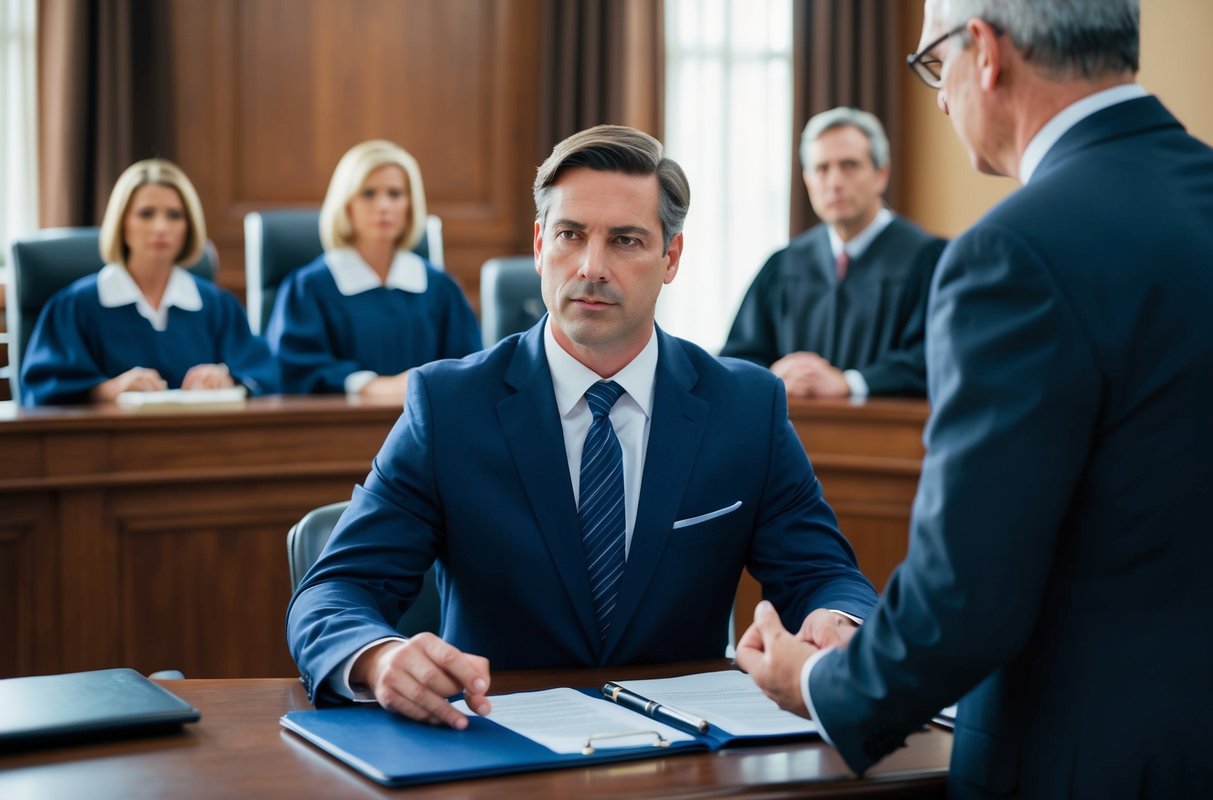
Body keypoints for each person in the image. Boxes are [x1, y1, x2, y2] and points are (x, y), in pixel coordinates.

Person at [737, 0, 1213, 796]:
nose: (939, 97)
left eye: (931, 63)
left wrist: (817, 681)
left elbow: (968, 595)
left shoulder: (1010, 255)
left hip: (1087, 761)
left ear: (984, 53)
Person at [287, 125, 877, 727]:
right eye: (571, 235)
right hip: (495, 750)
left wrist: (841, 622)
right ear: (541, 244)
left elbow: (825, 575)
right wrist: (380, 658)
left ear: (671, 258)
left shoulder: (745, 407)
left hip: (686, 758)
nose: (592, 267)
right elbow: (334, 592)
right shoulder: (449, 405)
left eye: (625, 240)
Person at [721, 107, 944, 398]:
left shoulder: (928, 259)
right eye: (822, 168)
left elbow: (938, 357)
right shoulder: (784, 265)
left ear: (881, 174)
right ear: (808, 181)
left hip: (890, 437)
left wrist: (850, 383)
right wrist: (775, 377)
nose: (835, 182)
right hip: (791, 434)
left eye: (849, 165)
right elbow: (737, 357)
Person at [20, 159, 278, 405]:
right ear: (122, 223)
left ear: (188, 226)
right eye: (146, 214)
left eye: (174, 215)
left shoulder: (218, 307)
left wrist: (230, 382)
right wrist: (105, 390)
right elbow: (39, 391)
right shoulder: (74, 307)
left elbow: (266, 378)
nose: (161, 227)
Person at [266, 139, 482, 397]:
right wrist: (369, 385)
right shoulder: (308, 288)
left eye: (395, 193)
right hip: (335, 428)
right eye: (368, 193)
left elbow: (470, 367)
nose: (384, 206)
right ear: (346, 204)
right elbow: (292, 369)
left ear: (410, 205)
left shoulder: (440, 288)